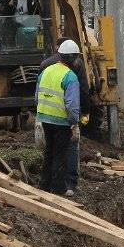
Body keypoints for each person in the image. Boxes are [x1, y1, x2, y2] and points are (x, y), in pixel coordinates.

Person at [40, 38, 91, 196]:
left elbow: (37, 96)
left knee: (49, 151)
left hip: (45, 118)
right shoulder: (70, 76)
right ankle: (60, 188)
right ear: (73, 57)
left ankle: (44, 186)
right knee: (61, 154)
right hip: (62, 121)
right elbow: (72, 104)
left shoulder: (45, 69)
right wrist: (75, 122)